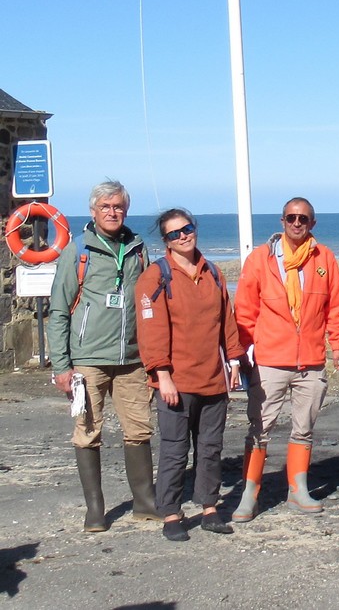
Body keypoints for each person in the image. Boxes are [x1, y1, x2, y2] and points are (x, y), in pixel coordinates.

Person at [47, 180, 157, 532]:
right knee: (88, 431)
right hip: (88, 360)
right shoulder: (78, 251)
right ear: (93, 211)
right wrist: (62, 366)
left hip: (132, 360)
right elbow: (60, 310)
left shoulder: (138, 249)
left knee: (139, 430)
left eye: (119, 207)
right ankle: (95, 509)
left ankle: (145, 502)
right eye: (106, 207)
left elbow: (150, 304)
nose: (113, 213)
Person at [232, 197, 339, 521]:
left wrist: (338, 345)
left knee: (304, 428)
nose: (297, 223)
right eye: (291, 218)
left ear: (312, 223)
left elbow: (336, 307)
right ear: (282, 221)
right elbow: (244, 310)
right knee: (260, 427)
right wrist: (240, 354)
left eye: (303, 219)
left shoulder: (323, 257)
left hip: (310, 361)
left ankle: (298, 489)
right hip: (269, 360)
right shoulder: (261, 259)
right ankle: (249, 493)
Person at [135, 209, 244, 541]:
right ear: (165, 241)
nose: (183, 236)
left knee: (211, 448)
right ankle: (171, 513)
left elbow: (226, 318)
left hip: (213, 378)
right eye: (174, 234)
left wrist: (235, 360)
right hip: (176, 382)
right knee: (174, 448)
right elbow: (151, 330)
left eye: (187, 228)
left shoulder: (212, 271)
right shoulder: (155, 277)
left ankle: (209, 509)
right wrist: (162, 374)